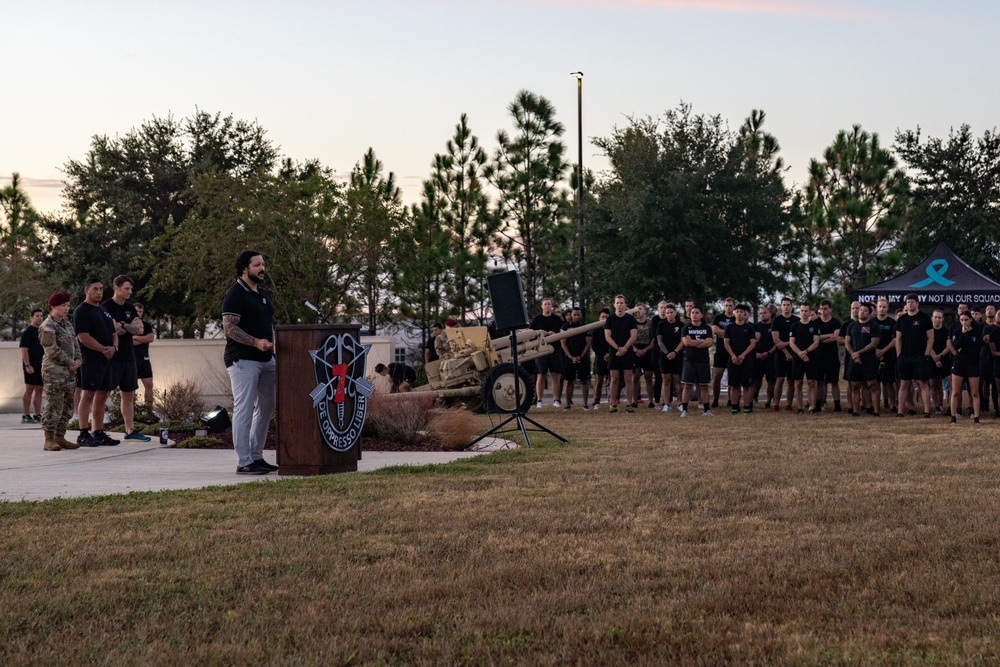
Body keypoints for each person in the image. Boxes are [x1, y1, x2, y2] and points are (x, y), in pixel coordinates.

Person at [222, 250, 277, 475]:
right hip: (243, 360)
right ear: (245, 268)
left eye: (263, 264)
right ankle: (244, 461)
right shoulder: (235, 293)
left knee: (266, 408)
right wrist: (255, 342)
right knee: (244, 408)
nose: (262, 268)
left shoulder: (263, 294)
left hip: (266, 360)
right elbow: (230, 328)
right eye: (257, 265)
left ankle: (256, 456)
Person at [102, 275, 151, 441]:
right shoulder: (106, 307)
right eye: (126, 289)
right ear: (117, 288)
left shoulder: (130, 307)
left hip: (129, 357)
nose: (130, 292)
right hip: (113, 357)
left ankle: (130, 430)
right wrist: (126, 327)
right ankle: (98, 430)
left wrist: (123, 325)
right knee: (104, 393)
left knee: (128, 394)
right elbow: (112, 328)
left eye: (131, 289)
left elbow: (140, 329)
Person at [73, 277, 119, 447]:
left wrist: (113, 348)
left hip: (107, 359)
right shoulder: (82, 311)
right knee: (88, 394)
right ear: (87, 291)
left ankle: (98, 431)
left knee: (103, 395)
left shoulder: (104, 311)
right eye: (95, 289)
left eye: (101, 289)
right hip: (91, 360)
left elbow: (114, 333)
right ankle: (83, 433)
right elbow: (83, 337)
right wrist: (102, 349)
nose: (99, 292)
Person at [39, 293, 83, 451]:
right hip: (54, 372)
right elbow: (51, 349)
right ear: (52, 307)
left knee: (67, 405)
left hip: (70, 372)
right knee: (54, 404)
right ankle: (49, 439)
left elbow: (76, 345)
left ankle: (60, 436)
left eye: (67, 305)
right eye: (63, 305)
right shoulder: (48, 325)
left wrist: (78, 361)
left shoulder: (67, 324)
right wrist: (69, 362)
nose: (66, 308)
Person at [893, 293, 934, 418]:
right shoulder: (902, 319)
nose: (910, 304)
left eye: (912, 302)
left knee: (923, 383)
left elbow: (931, 338)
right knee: (904, 384)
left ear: (917, 303)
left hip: (920, 356)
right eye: (908, 302)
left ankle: (927, 411)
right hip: (905, 356)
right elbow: (898, 339)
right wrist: (899, 356)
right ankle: (900, 411)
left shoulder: (924, 318)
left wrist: (926, 354)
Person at [844, 303, 881, 418]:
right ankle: (855, 411)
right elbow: (847, 342)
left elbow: (874, 343)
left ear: (869, 314)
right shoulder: (851, 326)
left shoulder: (874, 325)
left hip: (869, 360)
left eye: (865, 310)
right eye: (861, 310)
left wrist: (859, 353)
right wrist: (853, 355)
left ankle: (875, 411)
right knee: (855, 386)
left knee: (872, 385)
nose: (861, 312)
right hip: (855, 360)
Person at [946, 310, 983, 424]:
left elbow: (977, 348)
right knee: (955, 392)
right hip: (959, 363)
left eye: (966, 320)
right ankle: (953, 417)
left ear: (971, 320)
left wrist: (968, 339)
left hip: (973, 364)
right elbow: (957, 345)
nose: (964, 322)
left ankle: (976, 417)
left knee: (975, 392)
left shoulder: (977, 332)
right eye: (961, 320)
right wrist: (963, 333)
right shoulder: (957, 331)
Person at [604, 295, 638, 413]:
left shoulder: (630, 319)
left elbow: (633, 336)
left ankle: (629, 404)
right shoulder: (610, 319)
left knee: (628, 378)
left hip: (627, 352)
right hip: (614, 352)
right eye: (617, 303)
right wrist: (618, 348)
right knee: (614, 378)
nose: (619, 305)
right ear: (614, 305)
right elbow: (607, 337)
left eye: (621, 303)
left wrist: (624, 348)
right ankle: (613, 404)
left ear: (625, 304)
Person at [679, 303, 713, 417]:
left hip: (703, 361)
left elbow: (709, 342)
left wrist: (694, 343)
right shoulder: (686, 328)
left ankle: (706, 410)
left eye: (697, 313)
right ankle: (684, 409)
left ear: (701, 315)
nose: (694, 315)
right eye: (692, 313)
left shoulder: (706, 328)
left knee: (704, 385)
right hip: (689, 360)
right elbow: (686, 343)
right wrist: (701, 342)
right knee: (687, 385)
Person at [723, 304, 758, 414]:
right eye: (737, 311)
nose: (739, 313)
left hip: (746, 360)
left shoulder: (750, 328)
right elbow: (726, 343)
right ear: (734, 313)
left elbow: (752, 343)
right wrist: (733, 355)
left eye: (741, 312)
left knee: (747, 385)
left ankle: (747, 406)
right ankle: (734, 406)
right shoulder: (729, 327)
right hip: (733, 360)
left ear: (745, 314)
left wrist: (743, 355)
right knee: (734, 385)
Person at [531, 298, 563, 408]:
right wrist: (540, 333)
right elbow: (531, 334)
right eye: (545, 304)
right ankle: (539, 400)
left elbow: (562, 334)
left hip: (555, 350)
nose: (547, 306)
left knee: (555, 375)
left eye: (549, 304)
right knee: (541, 375)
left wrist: (555, 334)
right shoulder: (537, 320)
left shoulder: (557, 320)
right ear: (542, 306)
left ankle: (556, 400)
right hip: (541, 351)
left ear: (551, 306)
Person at [788, 303, 820, 414]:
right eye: (802, 310)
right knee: (798, 382)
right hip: (798, 358)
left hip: (811, 357)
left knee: (811, 382)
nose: (804, 313)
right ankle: (800, 407)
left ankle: (812, 406)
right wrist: (800, 354)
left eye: (806, 311)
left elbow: (816, 342)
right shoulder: (794, 326)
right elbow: (791, 343)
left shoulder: (814, 325)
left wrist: (806, 352)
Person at [560, 307, 592, 410]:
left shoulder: (585, 326)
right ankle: (567, 404)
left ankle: (585, 404)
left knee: (584, 381)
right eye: (574, 315)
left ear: (581, 315)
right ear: (571, 315)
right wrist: (570, 357)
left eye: (578, 315)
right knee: (569, 381)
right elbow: (563, 343)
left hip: (583, 357)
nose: (576, 317)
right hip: (569, 357)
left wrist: (581, 356)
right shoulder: (565, 327)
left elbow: (588, 343)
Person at [814, 300, 842, 412]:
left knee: (834, 381)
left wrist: (821, 338)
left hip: (832, 356)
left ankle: (837, 405)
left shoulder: (835, 322)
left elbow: (836, 337)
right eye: (821, 308)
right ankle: (818, 404)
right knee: (819, 381)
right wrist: (828, 336)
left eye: (825, 308)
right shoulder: (816, 322)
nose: (823, 311)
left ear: (830, 309)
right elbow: (815, 338)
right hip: (819, 356)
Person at [656, 303, 684, 412]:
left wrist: (675, 352)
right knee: (666, 379)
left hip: (678, 354)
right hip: (665, 356)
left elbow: (683, 341)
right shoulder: (661, 325)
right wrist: (667, 353)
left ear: (675, 313)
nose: (669, 315)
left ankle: (681, 403)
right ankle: (666, 403)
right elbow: (659, 341)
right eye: (667, 313)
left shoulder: (681, 325)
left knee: (678, 379)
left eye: (671, 312)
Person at [19, 308, 45, 424]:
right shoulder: (27, 332)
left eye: (41, 316)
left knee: (39, 390)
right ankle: (25, 415)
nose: (39, 318)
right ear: (31, 317)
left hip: (42, 365)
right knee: (29, 389)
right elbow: (24, 350)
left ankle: (37, 414)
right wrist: (27, 365)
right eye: (37, 316)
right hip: (31, 365)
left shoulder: (44, 331)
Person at [770, 297, 796, 411]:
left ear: (791, 306)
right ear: (781, 306)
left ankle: (789, 404)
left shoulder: (796, 320)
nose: (786, 307)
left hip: (794, 353)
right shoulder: (776, 321)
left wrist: (787, 343)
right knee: (779, 379)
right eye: (784, 305)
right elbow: (776, 339)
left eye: (788, 305)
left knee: (791, 380)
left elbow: (797, 338)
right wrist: (786, 352)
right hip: (781, 355)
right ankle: (776, 404)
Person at [710, 297, 736, 409]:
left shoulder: (736, 318)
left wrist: (724, 333)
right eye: (726, 305)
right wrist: (730, 333)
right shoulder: (718, 317)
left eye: (730, 305)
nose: (728, 307)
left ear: (734, 306)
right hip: (720, 351)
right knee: (717, 376)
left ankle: (731, 399)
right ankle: (715, 399)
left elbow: (738, 332)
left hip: (733, 351)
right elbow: (715, 330)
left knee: (733, 377)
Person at [873, 299, 898, 414]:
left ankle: (893, 405)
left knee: (889, 382)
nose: (881, 309)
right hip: (874, 356)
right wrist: (876, 351)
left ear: (888, 308)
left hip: (889, 355)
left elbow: (894, 340)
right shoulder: (872, 322)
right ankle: (876, 406)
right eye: (880, 306)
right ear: (877, 308)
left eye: (884, 307)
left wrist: (883, 351)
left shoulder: (892, 323)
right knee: (875, 382)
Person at [132, 302, 156, 416]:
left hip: (144, 358)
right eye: (136, 311)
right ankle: (131, 411)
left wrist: (137, 337)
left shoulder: (146, 325)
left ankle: (149, 411)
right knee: (131, 386)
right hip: (132, 359)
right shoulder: (129, 325)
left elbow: (150, 338)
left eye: (140, 311)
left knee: (149, 384)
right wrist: (142, 339)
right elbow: (130, 342)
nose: (138, 313)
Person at [632, 303, 657, 408]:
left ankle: (651, 401)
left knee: (648, 377)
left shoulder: (650, 324)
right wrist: (635, 349)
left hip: (648, 352)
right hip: (635, 352)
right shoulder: (631, 323)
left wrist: (645, 350)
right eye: (637, 309)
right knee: (635, 376)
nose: (639, 311)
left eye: (641, 309)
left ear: (645, 311)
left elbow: (653, 339)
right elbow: (628, 338)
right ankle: (635, 400)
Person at [752, 305, 776, 409]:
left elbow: (777, 341)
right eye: (760, 313)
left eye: (764, 313)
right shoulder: (755, 327)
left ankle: (768, 401)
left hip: (770, 357)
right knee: (756, 380)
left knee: (771, 381)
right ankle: (754, 397)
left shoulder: (774, 326)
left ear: (770, 314)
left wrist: (769, 352)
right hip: (757, 358)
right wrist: (755, 353)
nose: (762, 315)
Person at [928, 309, 950, 414]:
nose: (937, 320)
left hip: (945, 359)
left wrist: (940, 356)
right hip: (931, 360)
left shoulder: (946, 331)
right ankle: (936, 406)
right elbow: (927, 345)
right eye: (935, 317)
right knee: (933, 384)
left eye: (939, 317)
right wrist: (935, 358)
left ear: (942, 319)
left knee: (949, 383)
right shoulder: (928, 331)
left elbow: (948, 346)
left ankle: (947, 405)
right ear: (932, 318)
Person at [589, 308, 611, 409]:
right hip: (600, 358)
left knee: (613, 380)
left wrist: (610, 354)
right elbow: (594, 345)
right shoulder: (596, 330)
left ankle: (613, 399)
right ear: (599, 318)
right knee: (599, 380)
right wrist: (603, 354)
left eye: (606, 317)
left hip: (612, 357)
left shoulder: (613, 328)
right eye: (602, 317)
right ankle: (596, 401)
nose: (604, 319)